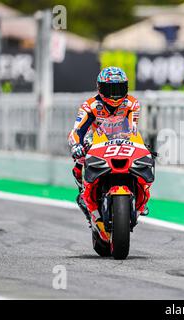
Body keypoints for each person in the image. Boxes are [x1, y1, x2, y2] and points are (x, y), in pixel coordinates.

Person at [68, 66, 150, 233]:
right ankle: (84, 195)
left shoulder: (132, 104)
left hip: (124, 140)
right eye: (109, 89)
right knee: (78, 163)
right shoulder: (90, 105)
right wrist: (76, 144)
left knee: (145, 160)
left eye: (119, 88)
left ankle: (143, 199)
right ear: (100, 88)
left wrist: (140, 145)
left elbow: (133, 129)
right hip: (96, 140)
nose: (114, 95)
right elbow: (77, 130)